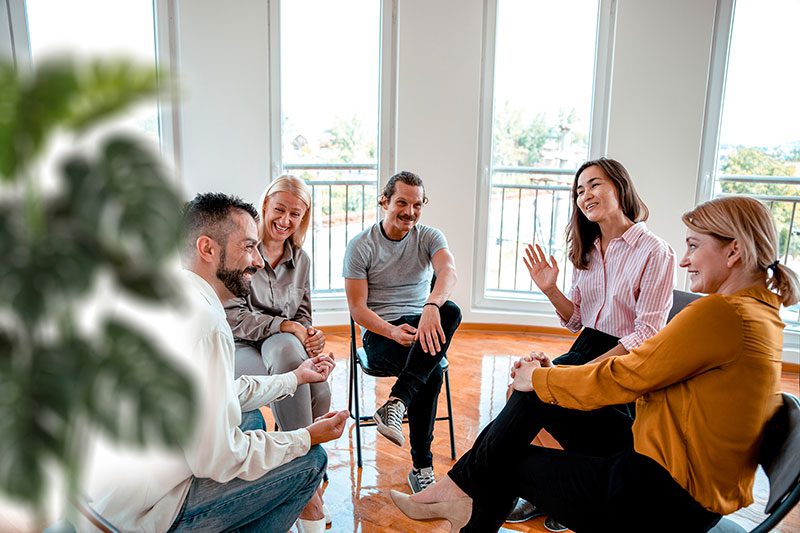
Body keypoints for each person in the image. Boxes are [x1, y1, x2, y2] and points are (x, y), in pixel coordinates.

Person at [391, 195, 798, 533]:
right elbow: (639, 368)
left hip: (661, 497)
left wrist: (543, 379)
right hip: (675, 467)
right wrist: (548, 379)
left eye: (694, 246)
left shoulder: (722, 315)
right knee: (534, 400)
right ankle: (455, 494)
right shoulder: (759, 314)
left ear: (735, 250)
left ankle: (458, 499)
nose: (685, 260)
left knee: (506, 459)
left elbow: (630, 373)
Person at [78, 193, 348, 532]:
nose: (259, 261)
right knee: (311, 461)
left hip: (103, 494)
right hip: (139, 514)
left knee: (248, 418)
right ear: (207, 249)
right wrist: (305, 437)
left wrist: (293, 378)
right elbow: (219, 459)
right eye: (249, 247)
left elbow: (221, 393)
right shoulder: (206, 324)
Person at [510, 157, 676, 527]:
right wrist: (550, 288)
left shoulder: (655, 251)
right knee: (520, 389)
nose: (585, 195)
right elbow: (575, 321)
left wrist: (578, 374)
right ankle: (544, 494)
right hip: (587, 346)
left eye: (594, 184)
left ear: (619, 186)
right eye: (579, 190)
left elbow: (647, 334)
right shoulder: (588, 248)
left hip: (626, 361)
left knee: (540, 394)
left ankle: (561, 495)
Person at [344, 171, 462, 494]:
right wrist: (394, 333)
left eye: (417, 204)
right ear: (384, 201)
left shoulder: (429, 236)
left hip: (422, 323)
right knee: (432, 372)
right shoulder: (361, 247)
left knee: (450, 310)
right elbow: (358, 310)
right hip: (381, 334)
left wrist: (431, 307)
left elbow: (448, 272)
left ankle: (397, 402)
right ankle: (422, 467)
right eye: (402, 203)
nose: (410, 211)